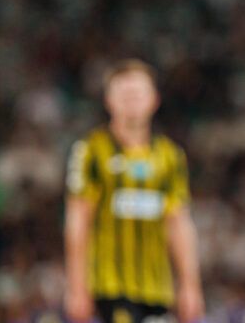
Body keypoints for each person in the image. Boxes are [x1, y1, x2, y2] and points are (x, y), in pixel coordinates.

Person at [64, 59, 204, 323]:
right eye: (124, 94)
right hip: (108, 287)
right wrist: (75, 286)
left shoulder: (170, 156)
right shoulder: (91, 151)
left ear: (154, 100)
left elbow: (179, 224)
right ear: (108, 100)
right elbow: (77, 220)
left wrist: (190, 285)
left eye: (138, 94)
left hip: (157, 289)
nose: (132, 101)